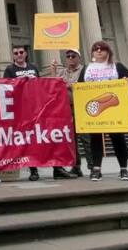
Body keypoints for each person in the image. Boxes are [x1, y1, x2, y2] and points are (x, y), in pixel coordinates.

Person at [4, 46, 75, 181]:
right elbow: (7, 88)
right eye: (16, 53)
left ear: (25, 54)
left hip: (39, 108)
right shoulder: (10, 70)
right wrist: (20, 81)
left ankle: (57, 168)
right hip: (22, 110)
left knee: (49, 136)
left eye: (21, 52)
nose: (19, 55)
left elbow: (42, 85)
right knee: (30, 140)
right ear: (13, 56)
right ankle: (33, 170)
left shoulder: (33, 67)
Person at [77, 40, 128, 182]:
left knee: (118, 139)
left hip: (114, 108)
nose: (98, 51)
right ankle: (96, 169)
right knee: (95, 139)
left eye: (102, 48)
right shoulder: (86, 69)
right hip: (94, 110)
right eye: (95, 49)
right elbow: (79, 88)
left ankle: (123, 169)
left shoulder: (118, 67)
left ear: (108, 51)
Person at [51, 48, 93, 177]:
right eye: (68, 56)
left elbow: (89, 86)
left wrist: (71, 85)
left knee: (86, 139)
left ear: (78, 57)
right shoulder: (62, 71)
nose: (70, 58)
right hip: (65, 109)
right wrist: (53, 71)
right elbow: (53, 85)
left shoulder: (85, 70)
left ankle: (93, 167)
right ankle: (76, 166)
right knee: (72, 140)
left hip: (81, 107)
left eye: (73, 56)